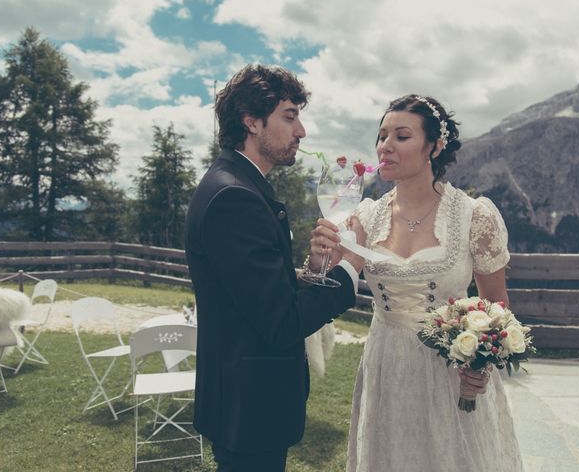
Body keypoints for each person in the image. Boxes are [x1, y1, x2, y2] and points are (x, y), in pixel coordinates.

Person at [311, 94, 524, 471]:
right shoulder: (364, 216)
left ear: (435, 146)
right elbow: (324, 288)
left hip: (451, 374)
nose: (385, 146)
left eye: (401, 136)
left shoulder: (474, 216)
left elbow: (497, 305)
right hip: (386, 368)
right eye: (381, 135)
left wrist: (481, 364)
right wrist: (321, 259)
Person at [184, 64, 366, 472]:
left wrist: (315, 270)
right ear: (251, 120)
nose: (301, 131)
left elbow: (256, 293)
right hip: (249, 407)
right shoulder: (235, 197)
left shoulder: (238, 185)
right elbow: (282, 321)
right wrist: (350, 269)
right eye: (289, 116)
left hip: (245, 404)